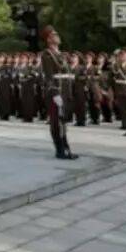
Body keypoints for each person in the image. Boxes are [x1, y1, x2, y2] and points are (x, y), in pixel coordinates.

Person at [39, 26, 78, 160]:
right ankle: (60, 150)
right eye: (55, 34)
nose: (57, 36)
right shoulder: (47, 55)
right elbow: (49, 76)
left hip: (65, 91)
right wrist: (55, 94)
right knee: (57, 122)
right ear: (49, 39)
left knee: (63, 122)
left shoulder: (60, 54)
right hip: (56, 92)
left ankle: (66, 148)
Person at [70, 52, 89, 127]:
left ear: (78, 59)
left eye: (75, 57)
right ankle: (78, 120)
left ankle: (82, 120)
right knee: (75, 105)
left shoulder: (82, 67)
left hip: (80, 88)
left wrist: (76, 78)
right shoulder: (69, 67)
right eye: (72, 57)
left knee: (81, 105)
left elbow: (84, 77)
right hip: (71, 88)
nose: (73, 59)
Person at [83, 52, 102, 124]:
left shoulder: (95, 67)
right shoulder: (83, 67)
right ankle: (92, 118)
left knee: (95, 103)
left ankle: (96, 118)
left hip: (94, 87)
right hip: (86, 87)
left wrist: (92, 77)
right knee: (89, 103)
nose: (87, 59)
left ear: (92, 59)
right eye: (86, 58)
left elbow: (99, 77)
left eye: (89, 58)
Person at [96, 52, 114, 123]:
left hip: (107, 86)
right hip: (98, 86)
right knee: (101, 102)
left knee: (108, 102)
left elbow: (110, 78)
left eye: (101, 58)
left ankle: (109, 117)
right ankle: (103, 116)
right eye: (99, 58)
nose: (99, 59)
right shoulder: (96, 67)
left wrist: (106, 88)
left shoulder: (108, 68)